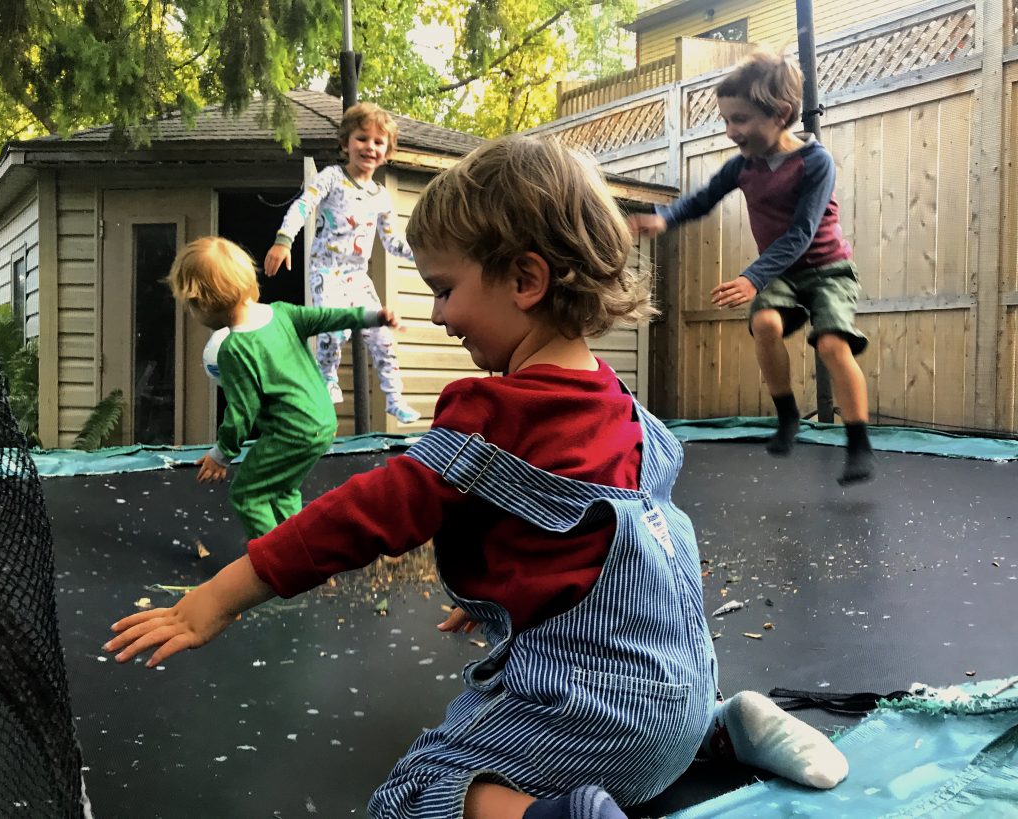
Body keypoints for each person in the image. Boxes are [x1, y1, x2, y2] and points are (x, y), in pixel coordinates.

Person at [108, 137, 848, 819]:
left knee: (416, 792)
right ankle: (727, 728)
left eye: (445, 288)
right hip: (678, 705)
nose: (437, 315)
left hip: (600, 728)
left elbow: (359, 517)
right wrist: (508, 587)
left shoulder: (489, 415)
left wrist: (217, 598)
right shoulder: (623, 409)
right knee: (659, 723)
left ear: (525, 278)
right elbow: (598, 536)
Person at [630, 51, 874, 486]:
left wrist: (751, 277)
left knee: (833, 346)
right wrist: (665, 218)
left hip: (827, 268)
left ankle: (858, 444)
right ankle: (787, 417)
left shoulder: (815, 163)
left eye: (739, 119)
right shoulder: (742, 167)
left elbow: (801, 232)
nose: (730, 132)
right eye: (725, 120)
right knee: (764, 324)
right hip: (779, 272)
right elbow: (701, 199)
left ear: (780, 114)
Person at [169, 236, 401, 539]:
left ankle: (276, 564)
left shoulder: (234, 349)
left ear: (202, 303)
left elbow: (242, 412)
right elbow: (328, 317)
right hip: (323, 422)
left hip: (292, 432)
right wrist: (372, 315)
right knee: (283, 488)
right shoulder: (283, 313)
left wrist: (221, 454)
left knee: (247, 495)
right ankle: (304, 547)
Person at [263, 101, 421, 425]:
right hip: (326, 269)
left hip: (357, 276)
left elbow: (391, 242)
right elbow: (303, 206)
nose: (370, 147)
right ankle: (327, 378)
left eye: (378, 142)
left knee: (382, 336)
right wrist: (284, 239)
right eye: (362, 139)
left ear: (387, 152)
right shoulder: (332, 178)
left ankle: (394, 398)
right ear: (345, 143)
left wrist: (421, 255)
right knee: (334, 328)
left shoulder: (381, 196)